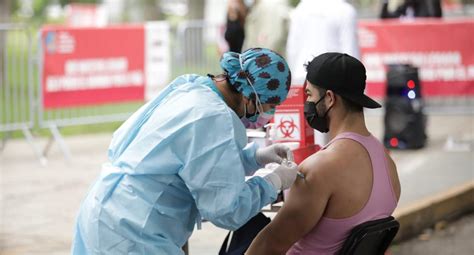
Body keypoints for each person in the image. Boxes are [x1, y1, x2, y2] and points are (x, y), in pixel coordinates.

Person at [71, 48, 298, 255]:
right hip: (131, 231)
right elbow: (227, 210)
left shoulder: (193, 87)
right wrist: (273, 182)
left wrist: (253, 158)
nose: (265, 116)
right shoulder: (214, 117)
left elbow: (194, 159)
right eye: (267, 108)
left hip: (106, 209)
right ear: (250, 96)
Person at [246, 52, 401, 254]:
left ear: (329, 98)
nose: (306, 104)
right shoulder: (386, 161)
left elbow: (268, 246)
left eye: (309, 95)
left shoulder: (319, 169)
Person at [285, 0, 360, 146]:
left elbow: (292, 47)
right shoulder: (345, 10)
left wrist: (294, 80)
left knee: (303, 137)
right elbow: (350, 52)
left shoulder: (302, 7)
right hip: (333, 79)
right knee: (334, 137)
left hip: (302, 77)